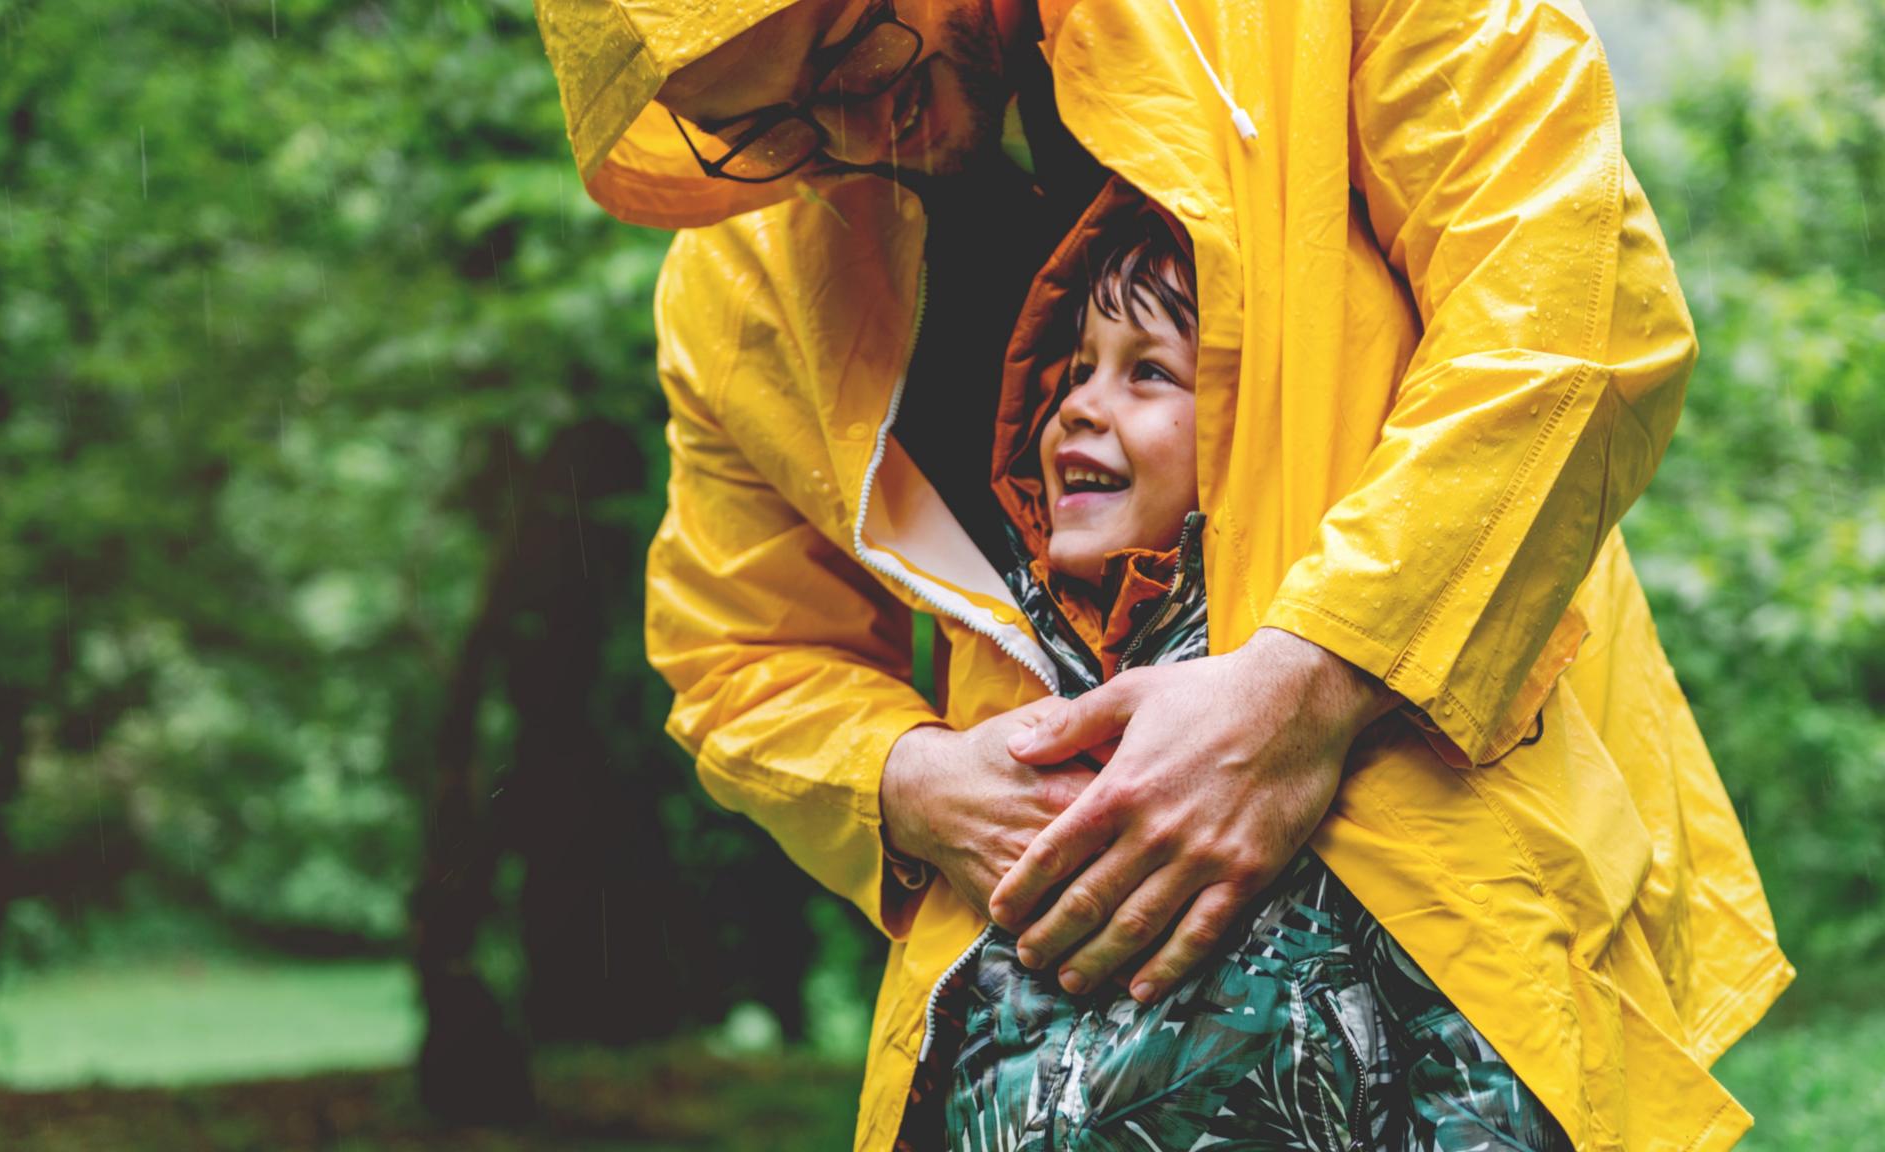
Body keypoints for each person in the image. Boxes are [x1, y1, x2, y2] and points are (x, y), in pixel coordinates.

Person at [536, 0, 1792, 1147]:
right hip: (1047, 1035)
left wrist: (1312, 680)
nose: (854, 136)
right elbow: (740, 651)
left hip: (1461, 945)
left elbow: (1565, 312)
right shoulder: (745, 286)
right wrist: (907, 782)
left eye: (855, 60)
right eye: (763, 131)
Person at [933, 184, 1571, 1151]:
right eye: (1074, 373)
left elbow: (1483, 1041)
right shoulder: (1020, 695)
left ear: (1243, 433)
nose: (1078, 409)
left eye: (1147, 373)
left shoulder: (1344, 723)